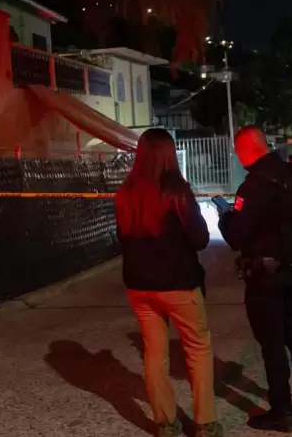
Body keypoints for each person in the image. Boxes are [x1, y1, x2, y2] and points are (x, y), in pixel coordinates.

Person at [115, 128, 223, 437]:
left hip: (139, 286)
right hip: (178, 284)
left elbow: (123, 237)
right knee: (197, 349)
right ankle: (205, 424)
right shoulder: (177, 190)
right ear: (169, 154)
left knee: (154, 353)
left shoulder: (125, 191)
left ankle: (165, 424)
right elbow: (200, 239)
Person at [217, 126, 292, 433]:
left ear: (247, 151)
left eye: (238, 151)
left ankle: (281, 411)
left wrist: (225, 215)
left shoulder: (252, 187)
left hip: (266, 279)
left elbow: (236, 237)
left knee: (273, 344)